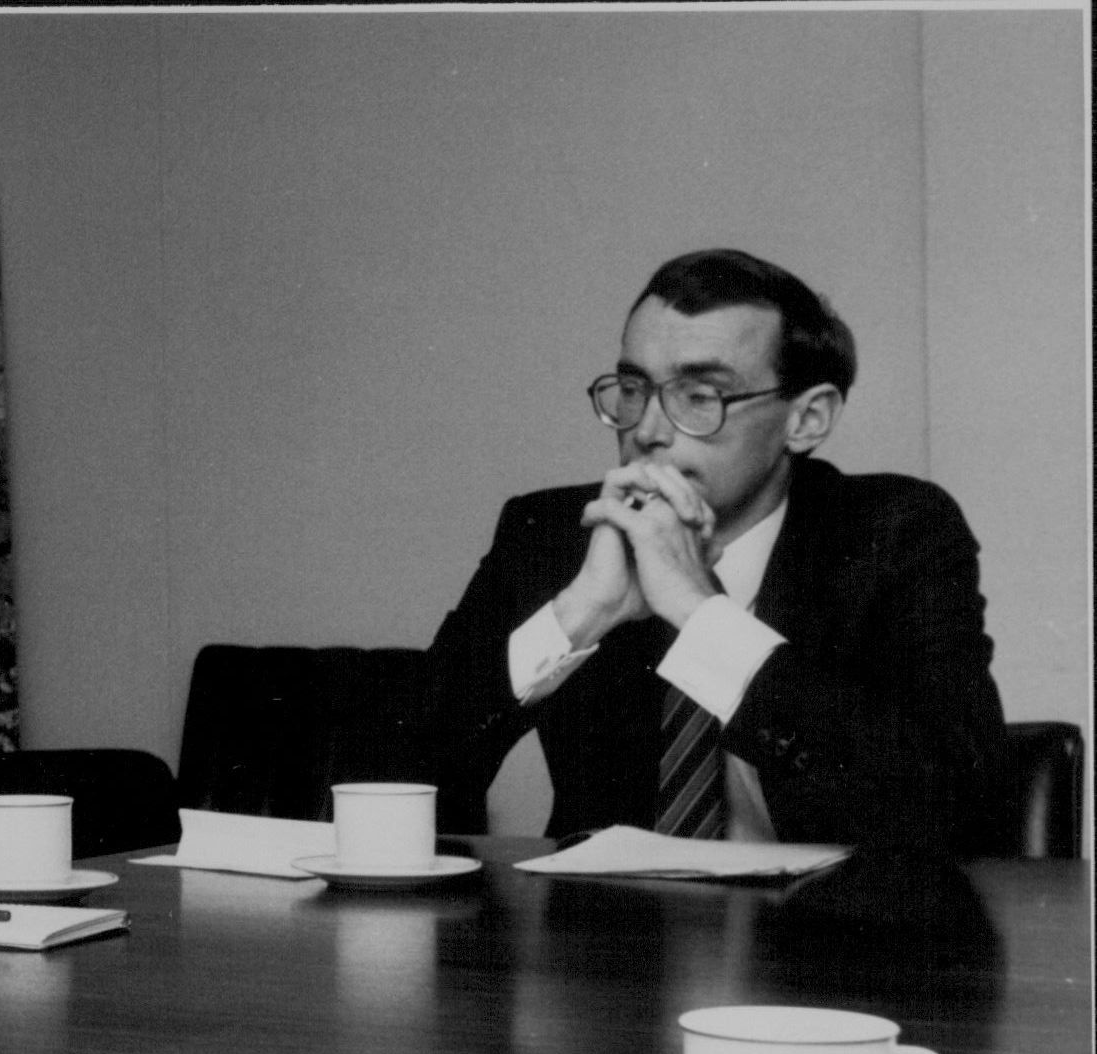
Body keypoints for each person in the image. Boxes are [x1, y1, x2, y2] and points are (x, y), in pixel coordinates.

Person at [410, 248, 1004, 850]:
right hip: (607, 936)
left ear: (807, 419)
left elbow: (950, 808)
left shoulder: (893, 532)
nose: (646, 431)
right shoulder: (558, 533)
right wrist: (574, 618)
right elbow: (375, 784)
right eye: (635, 389)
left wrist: (701, 616)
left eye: (699, 396)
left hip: (822, 934)